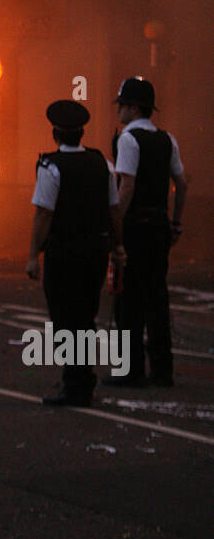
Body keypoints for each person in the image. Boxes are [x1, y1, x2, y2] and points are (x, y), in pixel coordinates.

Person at [26, 99, 125, 407]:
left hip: (64, 252)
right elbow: (114, 210)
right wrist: (118, 245)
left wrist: (32, 256)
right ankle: (82, 380)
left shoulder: (51, 166)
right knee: (84, 315)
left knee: (65, 318)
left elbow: (43, 215)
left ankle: (75, 384)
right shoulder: (102, 164)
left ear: (55, 134)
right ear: (82, 133)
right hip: (95, 251)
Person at [112, 76, 188, 387]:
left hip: (134, 228)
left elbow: (126, 185)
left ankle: (130, 370)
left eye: (122, 106)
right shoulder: (167, 139)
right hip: (159, 227)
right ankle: (162, 369)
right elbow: (181, 183)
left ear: (132, 107)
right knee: (157, 297)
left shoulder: (128, 140)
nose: (119, 112)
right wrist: (176, 222)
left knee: (128, 299)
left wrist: (114, 224)